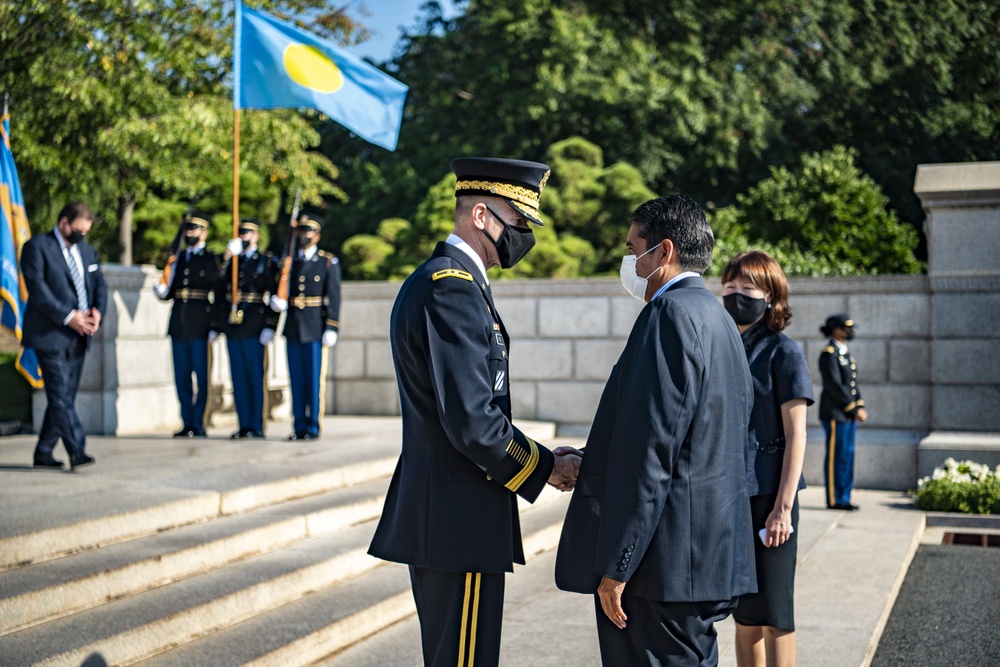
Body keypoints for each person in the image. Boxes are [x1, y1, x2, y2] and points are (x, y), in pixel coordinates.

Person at [367, 157, 579, 667]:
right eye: (518, 221)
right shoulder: (452, 289)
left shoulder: (456, 283)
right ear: (480, 215)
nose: (524, 235)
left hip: (456, 514)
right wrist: (549, 467)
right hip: (456, 518)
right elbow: (473, 423)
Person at [555, 194, 756, 666]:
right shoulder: (717, 319)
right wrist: (592, 458)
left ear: (663, 252)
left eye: (633, 248)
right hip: (702, 561)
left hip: (661, 569)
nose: (629, 261)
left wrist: (618, 565)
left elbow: (654, 453)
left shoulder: (668, 315)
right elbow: (695, 437)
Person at [721, 251, 814, 667]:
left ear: (772, 297)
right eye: (731, 285)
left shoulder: (783, 351)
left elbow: (797, 434)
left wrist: (783, 509)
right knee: (744, 614)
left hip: (772, 497)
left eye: (748, 287)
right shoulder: (723, 346)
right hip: (733, 494)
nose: (737, 294)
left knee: (776, 614)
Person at [21, 202, 107, 470]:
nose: (82, 235)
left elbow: (99, 285)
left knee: (64, 398)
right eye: (79, 230)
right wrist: (70, 316)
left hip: (80, 337)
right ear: (64, 223)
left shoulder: (88, 251)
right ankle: (77, 449)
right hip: (50, 334)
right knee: (59, 395)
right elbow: (38, 290)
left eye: (86, 231)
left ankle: (44, 452)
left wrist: (97, 312)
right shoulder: (36, 247)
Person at [268, 214, 340, 440]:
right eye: (301, 231)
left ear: (317, 236)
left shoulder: (327, 262)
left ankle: (312, 426)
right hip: (293, 326)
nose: (303, 235)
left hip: (315, 327)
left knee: (313, 380)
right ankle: (298, 425)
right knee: (296, 380)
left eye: (308, 231)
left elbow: (335, 297)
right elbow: (280, 288)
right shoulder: (290, 262)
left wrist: (332, 326)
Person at [154, 212, 220, 437]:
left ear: (205, 232)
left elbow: (218, 293)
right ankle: (186, 421)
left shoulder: (210, 259)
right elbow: (171, 290)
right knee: (181, 377)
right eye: (188, 229)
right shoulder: (178, 258)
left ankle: (199, 422)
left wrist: (214, 325)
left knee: (201, 377)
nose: (191, 233)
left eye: (195, 229)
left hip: (201, 323)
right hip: (179, 324)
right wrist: (162, 291)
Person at [215, 218, 278, 439]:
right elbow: (217, 282)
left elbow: (274, 295)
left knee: (254, 376)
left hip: (255, 324)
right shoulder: (232, 261)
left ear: (257, 236)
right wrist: (226, 256)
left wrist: (271, 325)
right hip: (234, 325)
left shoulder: (265, 261)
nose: (244, 237)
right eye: (241, 233)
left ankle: (257, 424)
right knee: (238, 377)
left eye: (249, 233)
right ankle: (244, 424)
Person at [818, 314, 867, 511]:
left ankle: (844, 497)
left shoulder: (845, 353)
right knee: (836, 458)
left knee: (847, 456)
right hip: (835, 414)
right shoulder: (829, 353)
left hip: (848, 414)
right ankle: (834, 499)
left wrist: (860, 405)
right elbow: (835, 385)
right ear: (835, 329)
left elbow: (852, 385)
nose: (849, 332)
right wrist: (853, 408)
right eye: (845, 328)